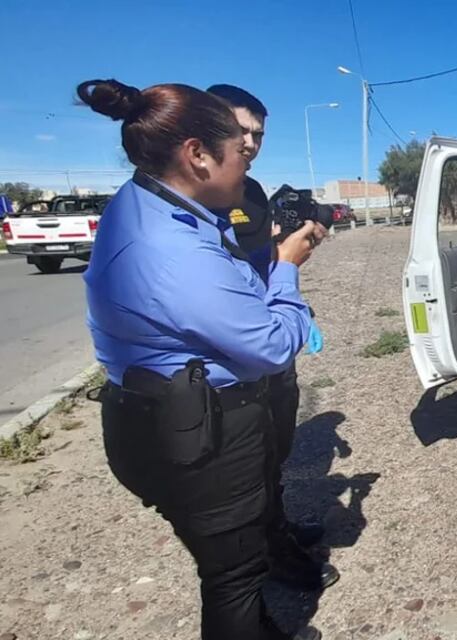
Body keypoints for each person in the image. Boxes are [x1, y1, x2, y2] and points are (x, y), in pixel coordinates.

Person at [79, 78, 325, 640]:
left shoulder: (144, 206)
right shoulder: (172, 247)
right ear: (197, 154)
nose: (247, 163)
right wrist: (287, 268)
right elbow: (270, 344)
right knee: (233, 579)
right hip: (200, 436)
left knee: (230, 568)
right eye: (239, 150)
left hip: (160, 417)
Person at [206, 84, 335, 592]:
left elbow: (266, 259)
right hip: (235, 350)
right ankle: (269, 560)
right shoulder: (194, 198)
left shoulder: (253, 192)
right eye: (240, 131)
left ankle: (277, 530)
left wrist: (293, 265)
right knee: (244, 468)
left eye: (258, 134)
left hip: (272, 333)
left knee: (274, 450)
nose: (250, 143)